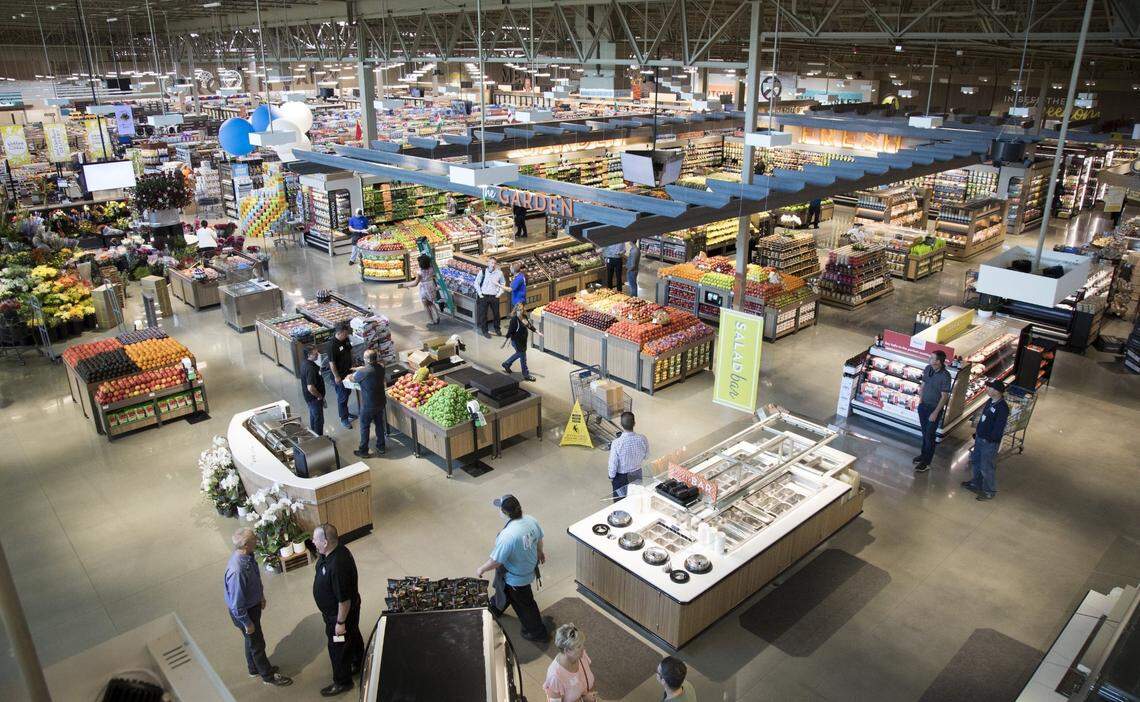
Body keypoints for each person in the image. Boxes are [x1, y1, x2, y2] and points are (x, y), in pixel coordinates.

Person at [223, 528, 293, 687]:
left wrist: (260, 596)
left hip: (251, 607)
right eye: (254, 539)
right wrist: (247, 623)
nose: (257, 540)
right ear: (245, 545)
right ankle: (268, 676)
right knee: (257, 644)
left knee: (251, 641)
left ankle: (253, 668)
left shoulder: (248, 556)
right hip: (245, 613)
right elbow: (236, 604)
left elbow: (255, 578)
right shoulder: (237, 570)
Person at [476, 494, 549, 643]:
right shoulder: (530, 520)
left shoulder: (508, 536)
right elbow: (539, 539)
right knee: (503, 590)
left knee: (525, 605)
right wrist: (540, 552)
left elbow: (496, 561)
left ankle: (537, 632)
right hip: (527, 567)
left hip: (516, 578)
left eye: (500, 509)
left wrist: (482, 569)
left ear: (505, 512)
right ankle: (496, 607)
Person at [312, 523, 364, 697]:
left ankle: (342, 682)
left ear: (325, 542)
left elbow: (344, 601)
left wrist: (340, 623)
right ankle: (358, 661)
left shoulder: (338, 566)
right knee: (352, 634)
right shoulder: (333, 552)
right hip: (341, 613)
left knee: (337, 646)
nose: (313, 541)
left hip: (340, 616)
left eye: (315, 539)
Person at [962, 379, 1010, 501]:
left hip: (989, 443)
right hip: (980, 438)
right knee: (976, 461)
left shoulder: (1002, 408)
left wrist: (990, 439)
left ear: (997, 391)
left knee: (987, 466)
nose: (987, 389)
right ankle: (976, 483)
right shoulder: (990, 401)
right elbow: (984, 418)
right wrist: (978, 432)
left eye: (990, 388)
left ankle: (989, 491)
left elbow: (999, 428)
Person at [913, 350, 952, 473]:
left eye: (932, 358)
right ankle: (923, 455)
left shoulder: (945, 376)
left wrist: (935, 412)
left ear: (938, 362)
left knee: (930, 435)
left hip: (933, 409)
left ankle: (926, 462)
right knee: (925, 433)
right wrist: (920, 401)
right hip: (923, 406)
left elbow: (944, 397)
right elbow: (923, 384)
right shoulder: (928, 368)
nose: (929, 359)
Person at [543, 623, 597, 702]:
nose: (583, 648)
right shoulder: (555, 677)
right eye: (578, 646)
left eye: (582, 644)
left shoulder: (580, 655)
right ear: (567, 650)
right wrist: (583, 700)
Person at [351, 349, 387, 458]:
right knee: (379, 424)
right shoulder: (381, 367)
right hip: (380, 401)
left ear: (366, 360)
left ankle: (363, 451)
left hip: (368, 405)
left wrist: (349, 376)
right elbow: (371, 369)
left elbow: (353, 379)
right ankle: (381, 447)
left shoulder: (363, 372)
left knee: (364, 427)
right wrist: (361, 368)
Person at [608, 411, 648, 499]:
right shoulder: (643, 439)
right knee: (635, 498)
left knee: (620, 501)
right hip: (637, 473)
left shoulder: (616, 443)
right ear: (634, 423)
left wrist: (611, 476)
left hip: (621, 477)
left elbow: (613, 463)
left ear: (621, 424)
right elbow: (646, 456)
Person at [324, 322, 357, 429]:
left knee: (347, 393)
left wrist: (353, 364)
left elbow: (349, 350)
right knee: (342, 397)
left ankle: (346, 412)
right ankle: (344, 418)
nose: (347, 335)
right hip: (340, 375)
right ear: (339, 333)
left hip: (348, 372)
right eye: (345, 334)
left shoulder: (345, 339)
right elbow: (332, 363)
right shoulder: (332, 345)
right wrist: (336, 376)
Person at [502, 303, 539, 382]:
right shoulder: (514, 320)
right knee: (523, 357)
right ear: (516, 310)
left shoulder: (524, 317)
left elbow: (529, 325)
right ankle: (526, 374)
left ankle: (506, 363)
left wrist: (537, 332)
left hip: (523, 341)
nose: (520, 311)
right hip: (516, 341)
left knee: (519, 354)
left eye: (521, 309)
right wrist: (504, 342)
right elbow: (510, 332)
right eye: (519, 310)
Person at [401, 254, 441, 326]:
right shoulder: (432, 269)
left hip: (424, 288)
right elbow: (434, 276)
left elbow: (415, 283)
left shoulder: (420, 273)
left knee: (426, 305)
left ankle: (431, 320)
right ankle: (437, 316)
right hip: (432, 286)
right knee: (431, 302)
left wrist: (406, 285)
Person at [474, 257, 506, 338]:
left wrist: (499, 293)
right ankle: (485, 331)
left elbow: (503, 283)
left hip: (494, 296)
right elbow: (476, 283)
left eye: (494, 263)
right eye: (491, 263)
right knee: (483, 314)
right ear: (488, 263)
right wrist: (480, 294)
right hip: (484, 296)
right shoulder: (482, 272)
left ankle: (497, 328)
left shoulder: (499, 273)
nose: (493, 265)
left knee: (496, 314)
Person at [300, 345, 326, 436]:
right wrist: (319, 396)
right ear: (309, 355)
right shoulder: (310, 368)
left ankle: (314, 436)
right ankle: (319, 439)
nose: (318, 355)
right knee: (318, 420)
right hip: (314, 399)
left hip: (309, 398)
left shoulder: (304, 363)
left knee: (314, 417)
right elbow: (310, 387)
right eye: (315, 354)